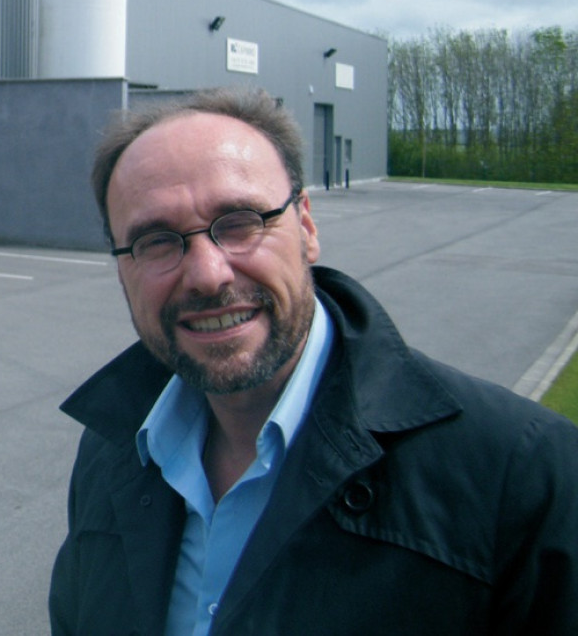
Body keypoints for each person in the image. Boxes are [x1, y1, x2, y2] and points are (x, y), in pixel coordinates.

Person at [48, 87, 578, 635]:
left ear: (305, 226)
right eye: (156, 241)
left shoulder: (524, 477)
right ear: (120, 268)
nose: (208, 275)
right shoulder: (113, 450)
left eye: (239, 220)